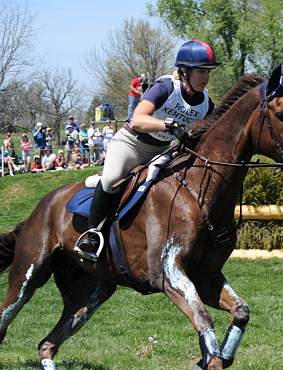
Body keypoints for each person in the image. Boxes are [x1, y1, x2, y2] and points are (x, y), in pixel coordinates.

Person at [75, 39, 220, 260]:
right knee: (113, 179)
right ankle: (92, 234)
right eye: (200, 71)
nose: (205, 77)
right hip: (131, 144)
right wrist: (169, 125)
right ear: (184, 72)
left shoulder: (206, 104)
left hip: (162, 151)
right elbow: (138, 119)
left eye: (208, 71)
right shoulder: (165, 88)